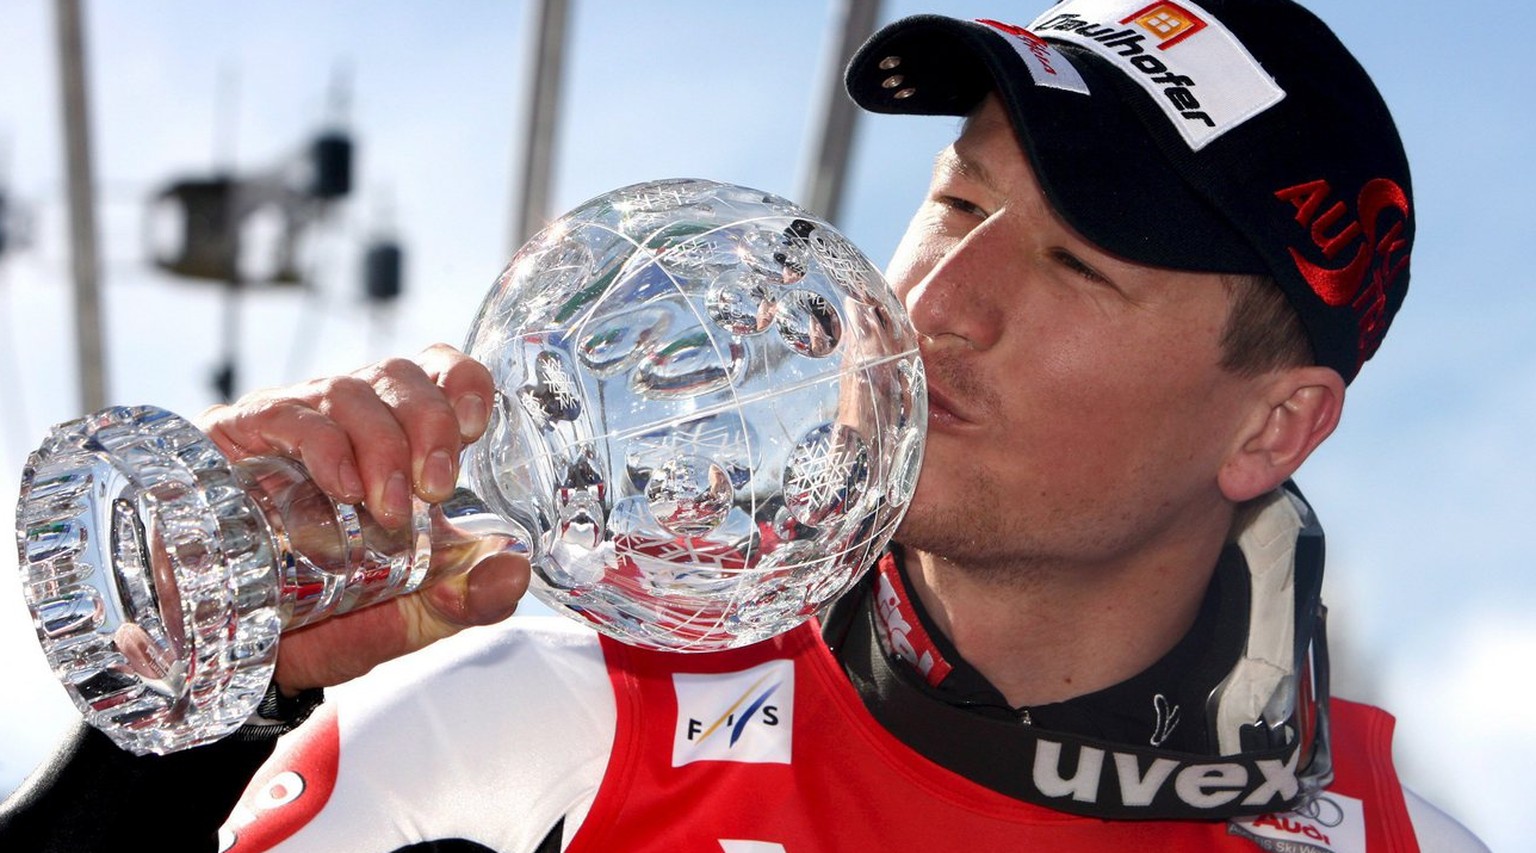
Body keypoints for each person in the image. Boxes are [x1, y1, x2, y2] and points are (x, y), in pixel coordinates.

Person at [0, 0, 1490, 850]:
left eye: (1078, 264)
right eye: (956, 201)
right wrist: (224, 700)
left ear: (1273, 426)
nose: (938, 302)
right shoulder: (562, 715)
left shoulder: (1409, 840)